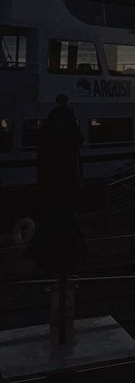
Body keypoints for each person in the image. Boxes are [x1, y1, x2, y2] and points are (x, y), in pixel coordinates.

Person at [24, 94, 86, 276]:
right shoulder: (68, 120)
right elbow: (78, 140)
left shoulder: (50, 121)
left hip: (49, 181)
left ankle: (46, 258)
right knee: (66, 220)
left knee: (50, 219)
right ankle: (68, 259)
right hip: (66, 181)